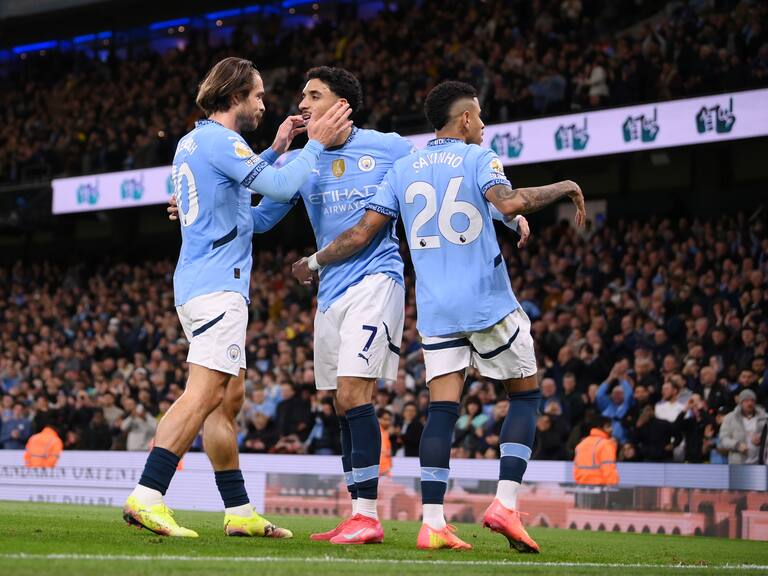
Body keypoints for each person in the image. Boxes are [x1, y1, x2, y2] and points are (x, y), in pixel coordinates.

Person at [293, 80, 586, 551]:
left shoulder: (403, 168)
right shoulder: (478, 157)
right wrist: (564, 186)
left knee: (442, 411)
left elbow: (363, 232)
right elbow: (508, 201)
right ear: (465, 118)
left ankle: (433, 522)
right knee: (526, 395)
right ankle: (505, 504)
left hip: (435, 310)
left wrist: (313, 261)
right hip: (487, 302)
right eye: (480, 116)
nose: (483, 125)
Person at [123, 56, 351, 538]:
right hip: (216, 287)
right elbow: (278, 185)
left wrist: (278, 150)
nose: (264, 104)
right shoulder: (222, 141)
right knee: (205, 392)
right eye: (258, 95)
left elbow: (253, 217)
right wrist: (313, 146)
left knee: (226, 400)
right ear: (234, 97)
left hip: (202, 283)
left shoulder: (193, 142)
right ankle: (148, 494)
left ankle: (239, 511)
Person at [719, 389, 767, 464]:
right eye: (746, 400)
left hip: (759, 462)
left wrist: (762, 439)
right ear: (741, 402)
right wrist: (737, 445)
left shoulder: (764, 418)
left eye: (752, 400)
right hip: (737, 462)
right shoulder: (730, 418)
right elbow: (723, 439)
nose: (750, 403)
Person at [573, 417, 619, 485]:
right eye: (608, 426)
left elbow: (576, 470)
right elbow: (609, 469)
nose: (611, 429)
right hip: (601, 487)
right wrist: (613, 487)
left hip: (582, 487)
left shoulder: (581, 444)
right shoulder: (605, 444)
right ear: (600, 427)